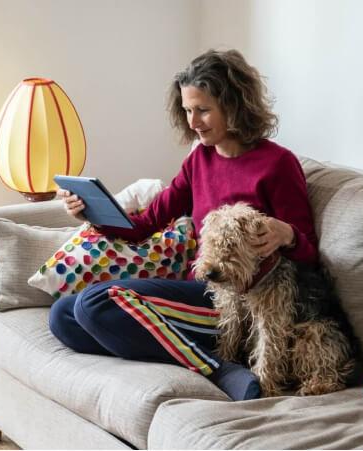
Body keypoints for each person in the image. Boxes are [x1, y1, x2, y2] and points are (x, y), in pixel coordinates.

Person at [50, 49, 319, 401]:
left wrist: (288, 234)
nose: (193, 122)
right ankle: (186, 354)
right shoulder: (199, 160)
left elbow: (310, 253)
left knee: (94, 305)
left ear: (234, 105)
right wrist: (90, 210)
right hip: (198, 286)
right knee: (63, 317)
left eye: (203, 110)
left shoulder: (277, 164)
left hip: (236, 306)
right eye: (188, 110)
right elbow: (145, 225)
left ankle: (221, 370)